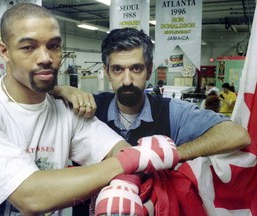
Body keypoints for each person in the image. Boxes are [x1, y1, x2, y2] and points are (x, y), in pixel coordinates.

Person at [0, 4, 180, 216]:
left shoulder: (65, 110)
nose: (45, 58)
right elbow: (30, 197)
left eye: (53, 46)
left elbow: (119, 150)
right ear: (4, 51)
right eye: (28, 47)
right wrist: (130, 161)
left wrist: (123, 186)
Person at [55, 28, 250, 215]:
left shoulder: (172, 112)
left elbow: (237, 135)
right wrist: (59, 90)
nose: (127, 80)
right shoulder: (86, 109)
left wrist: (172, 154)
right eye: (117, 69)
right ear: (106, 72)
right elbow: (31, 97)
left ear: (149, 71)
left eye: (136, 68)